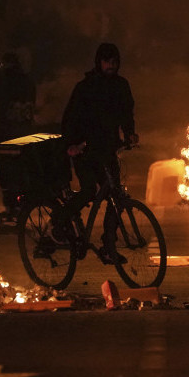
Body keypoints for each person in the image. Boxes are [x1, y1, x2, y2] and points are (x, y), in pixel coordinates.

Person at [61, 43, 138, 264]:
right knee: (88, 191)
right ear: (99, 62)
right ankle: (60, 221)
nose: (111, 66)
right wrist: (72, 144)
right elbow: (71, 118)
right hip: (86, 150)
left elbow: (126, 114)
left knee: (116, 197)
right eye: (107, 62)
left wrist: (130, 134)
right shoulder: (86, 87)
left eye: (114, 62)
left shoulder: (121, 86)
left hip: (108, 149)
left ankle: (108, 246)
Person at [0, 52, 37, 222]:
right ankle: (23, 201)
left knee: (6, 170)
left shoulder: (0, 78)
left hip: (4, 131)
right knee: (22, 167)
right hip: (24, 132)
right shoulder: (27, 80)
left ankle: (11, 205)